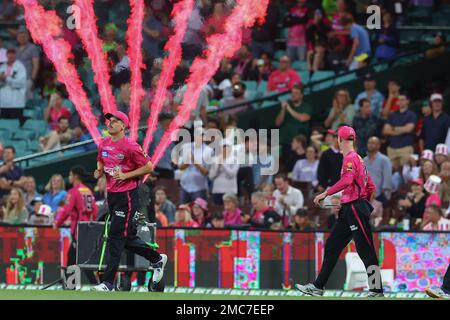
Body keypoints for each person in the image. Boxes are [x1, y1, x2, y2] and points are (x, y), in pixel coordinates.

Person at [296, 126, 384, 297]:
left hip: (354, 209)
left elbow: (347, 179)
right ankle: (317, 287)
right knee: (332, 246)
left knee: (365, 249)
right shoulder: (359, 159)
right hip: (351, 208)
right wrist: (352, 200)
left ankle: (376, 289)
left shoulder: (350, 158)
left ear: (339, 139)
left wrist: (326, 193)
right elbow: (371, 186)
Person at [93, 111, 167, 292]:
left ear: (123, 126)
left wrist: (126, 175)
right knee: (125, 237)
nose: (110, 123)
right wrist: (99, 171)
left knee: (115, 236)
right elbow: (100, 161)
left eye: (115, 121)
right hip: (112, 195)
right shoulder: (103, 143)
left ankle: (108, 283)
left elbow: (149, 166)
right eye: (110, 120)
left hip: (127, 195)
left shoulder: (130, 146)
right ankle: (157, 259)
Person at [53, 166, 98, 267]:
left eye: (70, 175)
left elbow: (65, 210)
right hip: (89, 228)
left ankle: (70, 282)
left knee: (77, 258)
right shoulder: (87, 190)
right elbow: (95, 210)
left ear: (75, 176)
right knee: (77, 257)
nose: (69, 177)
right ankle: (70, 282)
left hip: (78, 229)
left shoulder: (73, 192)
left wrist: (57, 223)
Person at [383, 92, 417, 172]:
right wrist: (402, 129)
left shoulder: (412, 115)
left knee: (406, 172)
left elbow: (408, 129)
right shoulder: (392, 115)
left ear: (407, 101)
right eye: (399, 100)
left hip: (406, 148)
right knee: (392, 173)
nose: (400, 102)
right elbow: (385, 130)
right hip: (392, 148)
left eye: (403, 99)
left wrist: (393, 128)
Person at [276, 85, 312, 160]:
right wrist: (283, 109)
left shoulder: (306, 106)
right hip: (285, 141)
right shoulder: (286, 107)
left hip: (300, 142)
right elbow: (277, 123)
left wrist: (288, 108)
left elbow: (302, 118)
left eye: (296, 93)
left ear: (301, 95)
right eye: (292, 93)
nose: (293, 95)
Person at [364, 137, 393, 207]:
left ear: (378, 146)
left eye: (373, 143)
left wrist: (385, 195)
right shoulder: (364, 160)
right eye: (369, 143)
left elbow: (387, 179)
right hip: (365, 196)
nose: (370, 145)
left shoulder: (384, 160)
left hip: (380, 196)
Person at [0, 48, 26, 121]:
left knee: (15, 126)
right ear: (6, 55)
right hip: (3, 104)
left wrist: (6, 79)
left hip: (16, 104)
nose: (11, 55)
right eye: (9, 53)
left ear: (15, 55)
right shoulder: (2, 67)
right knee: (4, 127)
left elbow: (21, 83)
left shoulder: (20, 67)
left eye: (13, 53)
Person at [148, 112, 175, 179]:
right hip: (157, 167)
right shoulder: (154, 134)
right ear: (161, 122)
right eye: (166, 123)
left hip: (169, 167)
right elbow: (147, 151)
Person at [15, 26, 40, 98]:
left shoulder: (33, 48)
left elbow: (36, 65)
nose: (21, 38)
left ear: (28, 37)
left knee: (25, 99)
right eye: (20, 36)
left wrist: (32, 79)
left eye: (24, 36)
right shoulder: (15, 48)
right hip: (16, 79)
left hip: (27, 78)